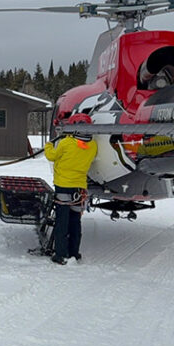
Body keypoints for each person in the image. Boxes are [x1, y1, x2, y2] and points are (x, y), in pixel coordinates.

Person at [43, 113, 98, 265]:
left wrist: (48, 145)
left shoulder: (66, 143)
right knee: (75, 221)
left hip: (63, 186)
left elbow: (51, 156)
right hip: (79, 188)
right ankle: (74, 252)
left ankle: (60, 254)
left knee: (62, 221)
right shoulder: (93, 145)